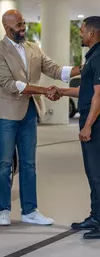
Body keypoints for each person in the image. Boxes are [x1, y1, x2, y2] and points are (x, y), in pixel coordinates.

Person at [0, 9, 80, 226]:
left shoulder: (33, 48)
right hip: (7, 114)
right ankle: (3, 210)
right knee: (3, 163)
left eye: (23, 24)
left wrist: (83, 68)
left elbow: (56, 70)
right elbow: (12, 85)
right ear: (7, 28)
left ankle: (30, 211)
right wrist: (44, 90)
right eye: (19, 25)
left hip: (29, 112)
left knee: (29, 163)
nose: (23, 28)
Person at [59, 16, 100, 239]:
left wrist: (88, 125)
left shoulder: (99, 56)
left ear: (92, 33)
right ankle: (96, 216)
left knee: (97, 173)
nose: (80, 34)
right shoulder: (93, 57)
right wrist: (62, 91)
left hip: (95, 122)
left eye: (82, 30)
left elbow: (99, 95)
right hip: (91, 118)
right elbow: (86, 91)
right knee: (92, 172)